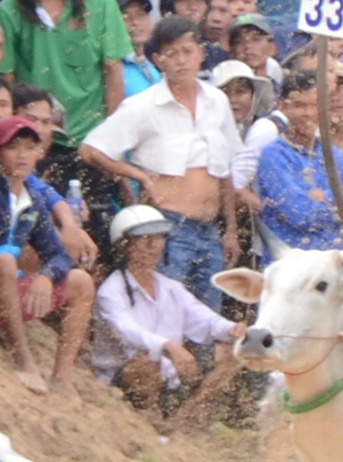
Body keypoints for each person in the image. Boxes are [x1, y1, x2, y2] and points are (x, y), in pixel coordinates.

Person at [80, 15, 240, 304]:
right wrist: (137, 176)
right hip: (166, 227)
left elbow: (225, 167)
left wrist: (229, 229)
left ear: (201, 54)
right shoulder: (142, 106)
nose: (181, 60)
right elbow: (91, 150)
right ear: (158, 60)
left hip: (209, 229)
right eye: (172, 53)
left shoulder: (217, 101)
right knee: (166, 311)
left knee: (208, 316)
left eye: (188, 51)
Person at [0, 116, 95, 396]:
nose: (23, 155)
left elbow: (59, 256)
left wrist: (46, 277)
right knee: (3, 261)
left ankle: (62, 377)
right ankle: (23, 360)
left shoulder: (33, 200)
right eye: (14, 147)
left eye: (29, 147)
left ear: (39, 153)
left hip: (7, 291)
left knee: (81, 281)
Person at [0, 0, 130, 181]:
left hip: (90, 138)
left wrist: (111, 139)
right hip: (37, 140)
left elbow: (112, 69)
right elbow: (7, 79)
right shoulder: (10, 10)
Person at [91, 204, 242, 416]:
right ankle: (146, 416)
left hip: (169, 376)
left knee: (236, 352)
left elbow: (203, 317)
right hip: (122, 376)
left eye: (159, 238)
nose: (154, 246)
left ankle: (186, 415)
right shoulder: (111, 291)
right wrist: (169, 346)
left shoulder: (170, 287)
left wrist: (233, 329)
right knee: (145, 362)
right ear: (124, 245)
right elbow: (129, 333)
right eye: (144, 239)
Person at [254, 70, 343, 255]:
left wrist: (323, 196)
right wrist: (340, 199)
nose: (308, 113)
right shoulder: (273, 155)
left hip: (334, 263)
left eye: (315, 105)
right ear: (283, 108)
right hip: (291, 265)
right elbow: (300, 214)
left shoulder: (332, 154)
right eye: (300, 106)